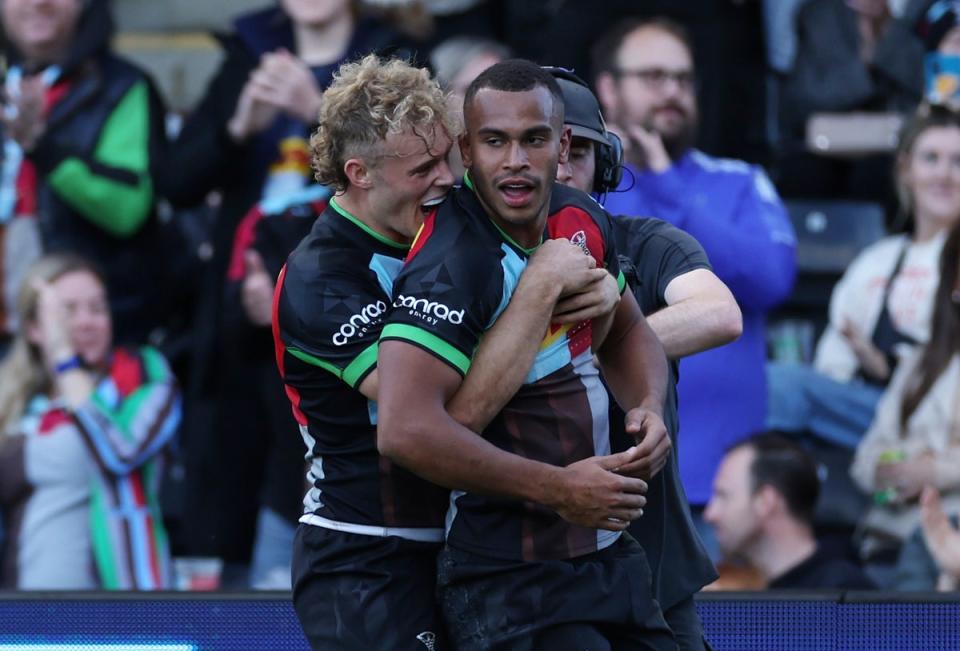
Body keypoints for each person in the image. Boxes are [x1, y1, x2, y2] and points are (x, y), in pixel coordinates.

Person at [275, 55, 642, 651]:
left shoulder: (447, 234)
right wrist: (542, 292)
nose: (447, 180)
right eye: (423, 169)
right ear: (360, 173)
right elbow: (440, 410)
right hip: (365, 552)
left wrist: (599, 299)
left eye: (448, 158)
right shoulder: (321, 279)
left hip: (459, 534)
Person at [377, 59, 676, 650]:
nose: (515, 160)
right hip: (507, 576)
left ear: (561, 144)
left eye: (533, 139)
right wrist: (558, 488)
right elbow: (404, 431)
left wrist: (648, 405)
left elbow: (629, 332)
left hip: (608, 555)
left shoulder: (578, 215)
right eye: (494, 141)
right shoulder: (449, 261)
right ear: (465, 149)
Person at [160, 0, 412, 577]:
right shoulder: (247, 55)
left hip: (350, 312)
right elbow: (177, 183)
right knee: (230, 503)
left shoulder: (390, 59)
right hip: (236, 329)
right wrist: (235, 129)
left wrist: (318, 113)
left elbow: (413, 174)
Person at [552, 66, 740, 650]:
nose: (558, 168)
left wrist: (594, 345)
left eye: (576, 150)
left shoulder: (645, 242)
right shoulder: (468, 257)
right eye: (540, 144)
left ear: (605, 165)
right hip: (534, 571)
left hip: (653, 563)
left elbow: (717, 314)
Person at [592, 16, 797, 553]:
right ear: (609, 88)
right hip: (610, 478)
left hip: (725, 497)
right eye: (654, 76)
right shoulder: (583, 195)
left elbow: (773, 280)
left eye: (683, 80)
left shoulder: (738, 180)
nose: (673, 92)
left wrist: (667, 185)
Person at [768, 104, 960, 450]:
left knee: (783, 386)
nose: (944, 174)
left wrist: (888, 366)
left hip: (943, 415)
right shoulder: (876, 261)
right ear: (905, 169)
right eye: (931, 158)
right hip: (870, 410)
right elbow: (833, 365)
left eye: (958, 161)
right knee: (772, 388)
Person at [0, 253, 181, 589]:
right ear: (34, 328)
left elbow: (120, 452)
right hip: (25, 614)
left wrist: (65, 361)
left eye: (97, 308)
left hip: (126, 616)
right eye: (67, 311)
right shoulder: (13, 398)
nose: (87, 322)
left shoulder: (142, 375)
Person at [0, 0, 169, 344]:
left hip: (90, 338)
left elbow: (127, 209)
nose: (37, 3)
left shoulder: (121, 87)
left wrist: (42, 148)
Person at [850, 219, 960, 573]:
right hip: (888, 538)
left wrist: (935, 471)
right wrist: (889, 473)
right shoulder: (919, 363)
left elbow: (936, 470)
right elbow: (864, 460)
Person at [705, 434, 875, 590]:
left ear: (765, 501)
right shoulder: (728, 586)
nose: (710, 514)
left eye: (723, 496)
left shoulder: (842, 591)